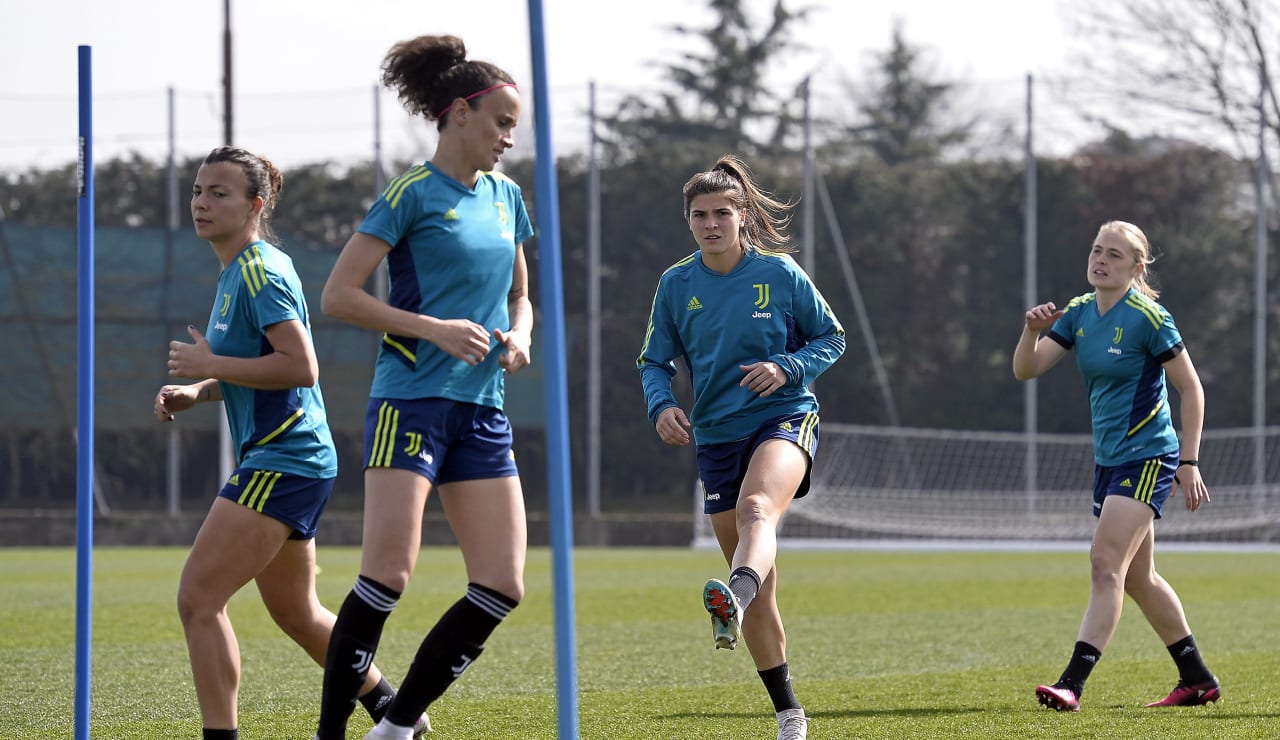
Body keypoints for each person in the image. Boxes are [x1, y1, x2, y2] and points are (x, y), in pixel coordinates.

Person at [156, 146, 426, 740]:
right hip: (293, 459)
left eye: (219, 193)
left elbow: (301, 368)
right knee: (297, 612)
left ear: (255, 205)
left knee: (198, 598)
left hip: (286, 458)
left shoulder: (258, 270)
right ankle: (395, 710)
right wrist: (200, 388)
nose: (202, 202)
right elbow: (255, 368)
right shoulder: (237, 272)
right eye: (198, 191)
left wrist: (210, 361)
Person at [314, 34, 533, 740]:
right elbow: (339, 297)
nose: (508, 138)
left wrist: (520, 335)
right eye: (501, 122)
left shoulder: (507, 197)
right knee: (389, 574)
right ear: (461, 112)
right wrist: (434, 328)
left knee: (502, 584)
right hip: (410, 401)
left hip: (482, 410)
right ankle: (330, 733)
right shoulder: (411, 192)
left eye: (514, 127)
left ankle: (398, 725)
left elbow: (522, 297)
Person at [636, 155, 845, 740]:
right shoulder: (676, 285)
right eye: (699, 215)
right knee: (763, 590)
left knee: (758, 510)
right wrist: (662, 405)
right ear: (689, 222)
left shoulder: (778, 274)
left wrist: (787, 367)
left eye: (721, 212)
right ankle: (789, 714)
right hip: (717, 435)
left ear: (743, 215)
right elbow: (653, 361)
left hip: (783, 417)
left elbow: (833, 337)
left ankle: (734, 591)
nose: (710, 223)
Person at [1013, 220, 1221, 712]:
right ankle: (1197, 678)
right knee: (1137, 578)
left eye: (1114, 255)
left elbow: (1191, 387)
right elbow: (1027, 369)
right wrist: (1030, 330)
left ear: (1136, 268)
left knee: (1105, 564)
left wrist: (1188, 461)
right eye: (1096, 250)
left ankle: (1072, 683)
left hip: (1149, 454)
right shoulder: (1081, 313)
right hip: (1109, 460)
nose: (1100, 260)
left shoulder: (1149, 317)